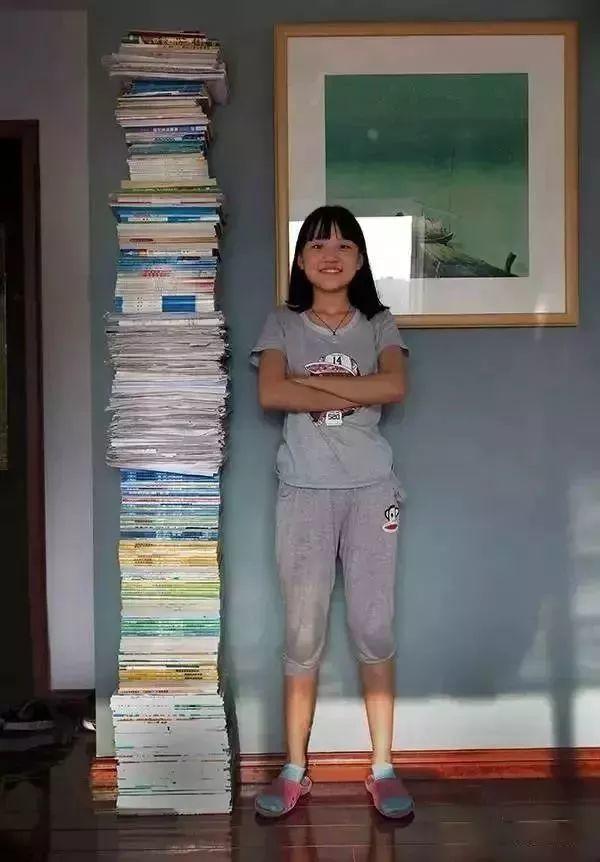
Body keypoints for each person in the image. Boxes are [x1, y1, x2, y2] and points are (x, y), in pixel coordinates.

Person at [250, 205, 412, 819]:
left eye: (345, 244)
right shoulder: (281, 323)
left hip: (372, 492)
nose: (331, 254)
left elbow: (393, 386)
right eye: (318, 244)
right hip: (304, 491)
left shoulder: (379, 323)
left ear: (360, 259)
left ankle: (383, 768)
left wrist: (310, 385)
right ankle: (295, 769)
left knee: (374, 628)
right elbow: (271, 392)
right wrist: (354, 386)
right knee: (302, 633)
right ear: (300, 260)